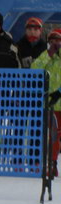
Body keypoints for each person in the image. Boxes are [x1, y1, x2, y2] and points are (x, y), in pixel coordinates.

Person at [32, 29, 61, 179]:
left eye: (58, 40)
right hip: (51, 105)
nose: (55, 44)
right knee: (53, 136)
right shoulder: (47, 57)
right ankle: (51, 163)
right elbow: (34, 69)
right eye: (52, 40)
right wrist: (48, 54)